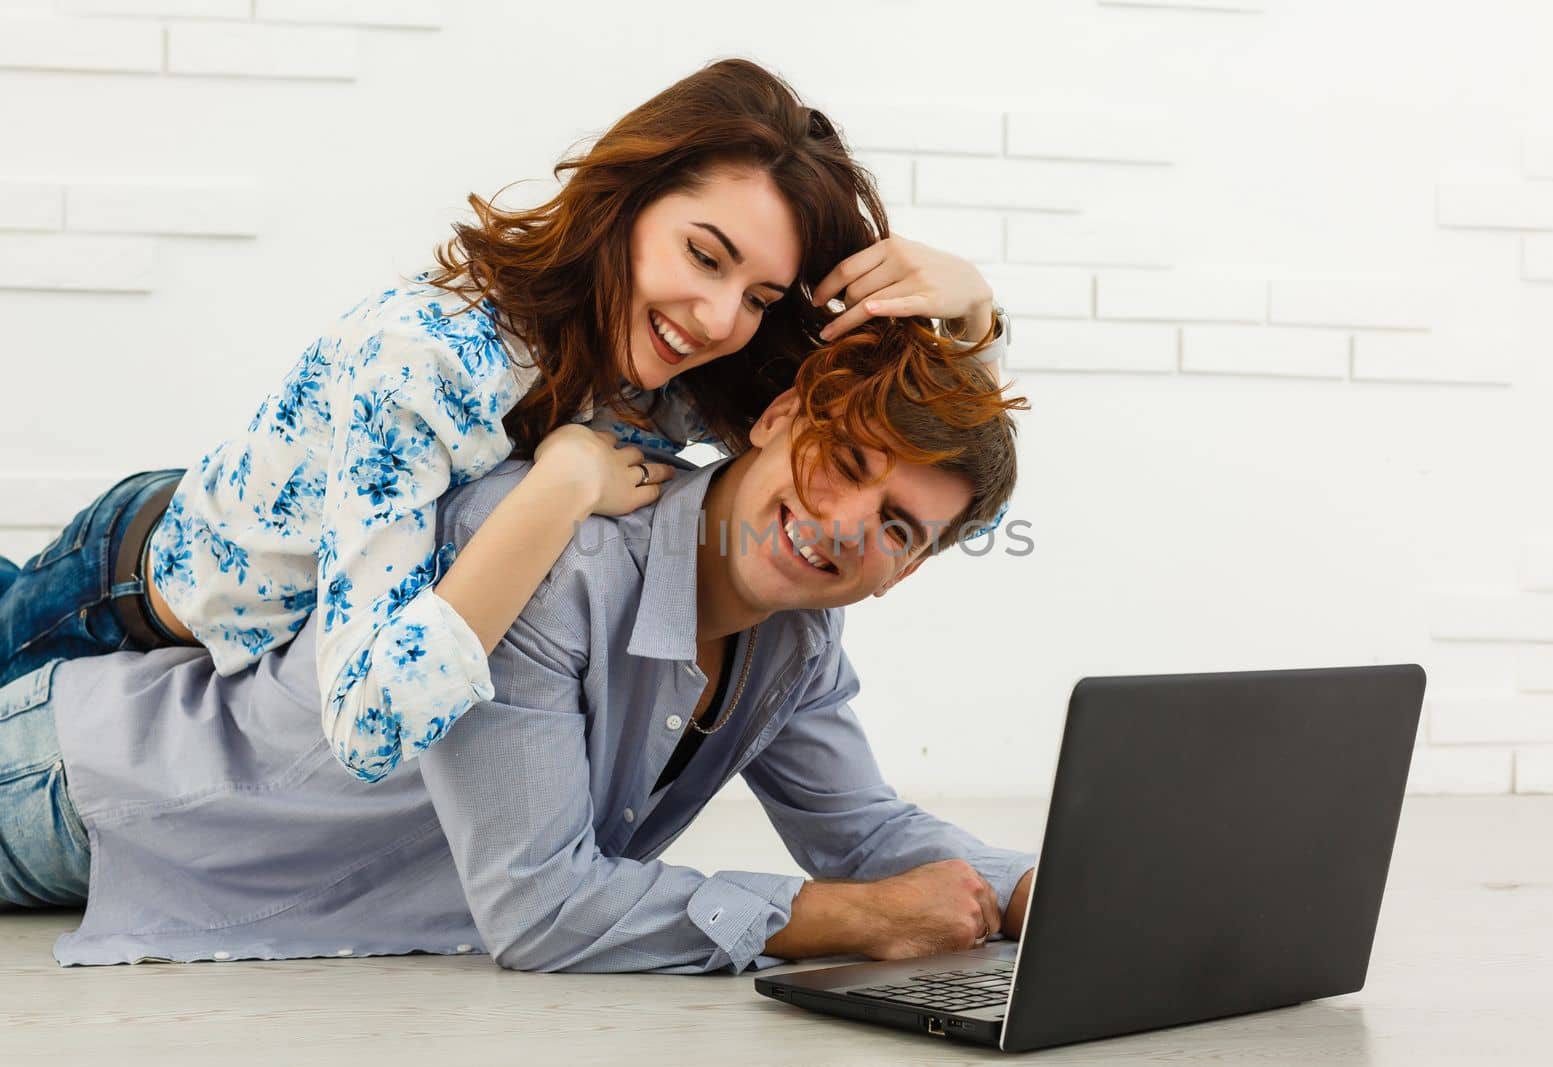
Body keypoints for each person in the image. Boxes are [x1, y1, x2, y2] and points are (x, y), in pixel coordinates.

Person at [0, 58, 1008, 783]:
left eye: (757, 296)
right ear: (626, 199)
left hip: (215, 676)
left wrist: (973, 310)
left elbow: (907, 445)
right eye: (704, 255)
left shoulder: (669, 379)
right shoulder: (428, 361)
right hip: (127, 589)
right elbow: (371, 728)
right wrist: (561, 484)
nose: (717, 318)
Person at [0, 319, 1035, 972]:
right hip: (91, 786)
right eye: (844, 459)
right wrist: (844, 919)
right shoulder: (561, 554)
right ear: (773, 415)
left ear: (914, 566)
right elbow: (541, 905)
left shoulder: (798, 637)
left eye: (899, 526)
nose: (847, 522)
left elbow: (860, 826)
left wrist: (1038, 888)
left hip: (215, 854)